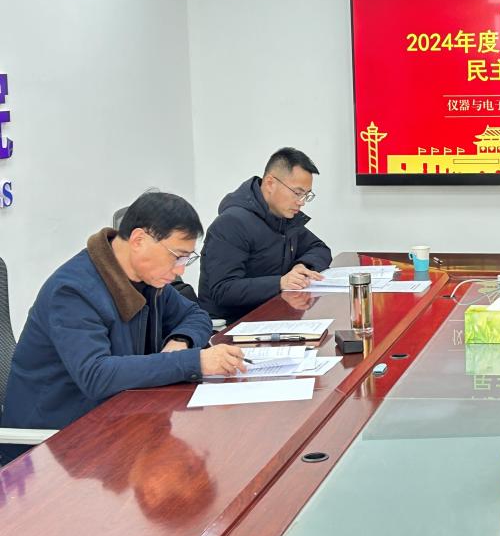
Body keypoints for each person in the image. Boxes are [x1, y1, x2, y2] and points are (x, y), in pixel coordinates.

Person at [1, 192, 246, 463]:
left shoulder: (148, 278)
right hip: (53, 447)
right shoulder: (73, 291)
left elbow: (196, 315)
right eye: (177, 257)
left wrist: (181, 341)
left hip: (118, 419)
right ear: (139, 240)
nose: (180, 271)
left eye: (186, 259)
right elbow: (96, 375)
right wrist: (193, 361)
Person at [199, 147, 332, 323]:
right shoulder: (232, 223)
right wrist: (280, 283)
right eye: (297, 193)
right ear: (270, 183)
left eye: (306, 195)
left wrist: (302, 267)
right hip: (232, 324)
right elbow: (223, 290)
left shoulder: (283, 218)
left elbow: (319, 248)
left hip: (273, 314)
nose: (301, 202)